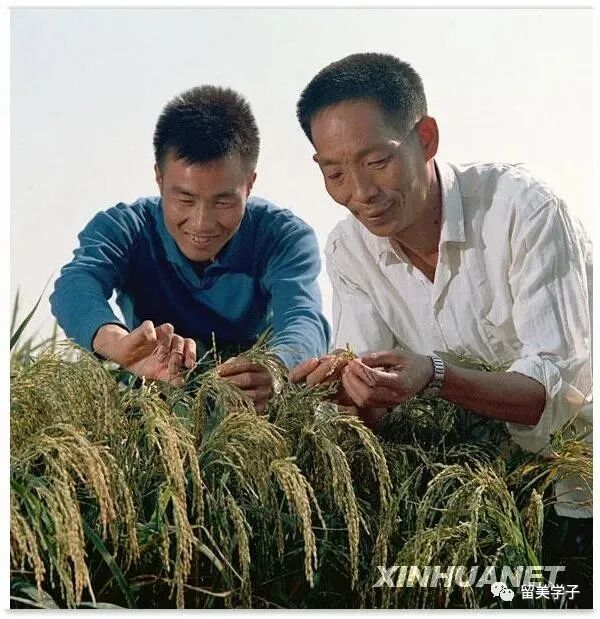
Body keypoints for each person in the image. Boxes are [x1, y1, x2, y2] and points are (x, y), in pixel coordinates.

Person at [290, 53, 592, 519]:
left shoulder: (524, 210)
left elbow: (557, 393)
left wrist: (435, 375)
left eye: (377, 161)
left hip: (576, 488)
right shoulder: (349, 250)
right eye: (335, 174)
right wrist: (345, 392)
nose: (361, 192)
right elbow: (372, 409)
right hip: (469, 497)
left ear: (426, 138)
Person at [50, 85, 330, 410]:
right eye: (184, 199)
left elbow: (303, 317)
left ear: (250, 184)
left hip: (253, 405)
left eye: (222, 201)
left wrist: (276, 369)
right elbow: (76, 285)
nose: (201, 223)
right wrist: (118, 344)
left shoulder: (284, 237)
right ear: (159, 179)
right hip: (155, 399)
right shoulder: (125, 228)